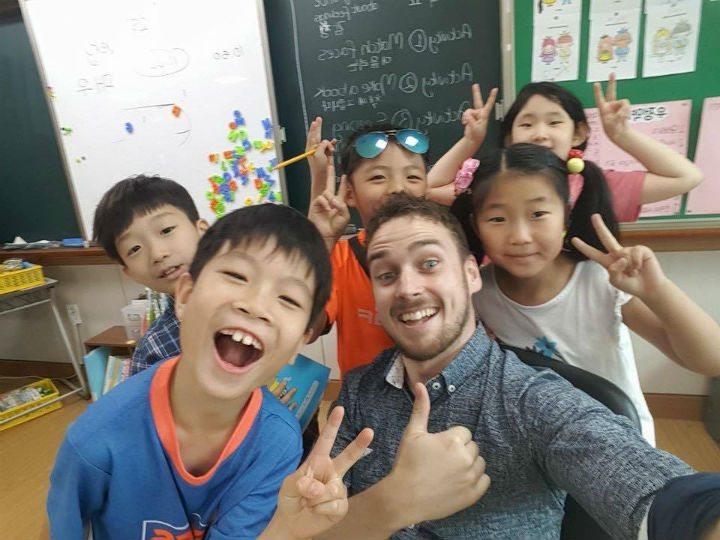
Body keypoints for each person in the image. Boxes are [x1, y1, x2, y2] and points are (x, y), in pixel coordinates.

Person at [321, 193, 720, 539]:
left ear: (471, 274)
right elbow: (317, 529)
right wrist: (393, 503)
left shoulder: (531, 401)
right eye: (386, 274)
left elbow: (656, 492)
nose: (407, 289)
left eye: (428, 264)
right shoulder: (359, 391)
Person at [48, 203, 373, 539]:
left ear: (299, 342)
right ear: (185, 296)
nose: (256, 306)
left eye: (288, 299)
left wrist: (285, 531)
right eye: (236, 276)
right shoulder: (93, 441)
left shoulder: (278, 441)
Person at [450, 143, 720, 444]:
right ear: (476, 225)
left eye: (538, 214)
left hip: (619, 442)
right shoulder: (477, 293)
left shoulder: (601, 282)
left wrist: (657, 290)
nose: (520, 237)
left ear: (566, 215)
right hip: (540, 445)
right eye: (497, 219)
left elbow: (711, 360)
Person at [428, 75, 703, 219]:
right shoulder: (490, 183)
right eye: (526, 124)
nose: (540, 134)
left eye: (554, 122)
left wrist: (622, 135)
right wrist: (470, 141)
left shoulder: (595, 185)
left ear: (578, 133)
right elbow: (426, 188)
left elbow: (686, 177)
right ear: (510, 139)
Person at [93, 175, 207, 375]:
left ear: (202, 231)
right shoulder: (153, 353)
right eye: (134, 249)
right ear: (129, 273)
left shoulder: (258, 297)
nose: (157, 253)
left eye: (166, 230)